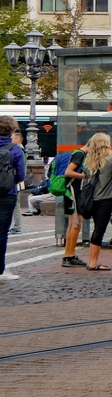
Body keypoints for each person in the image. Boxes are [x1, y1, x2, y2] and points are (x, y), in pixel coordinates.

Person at [82, 133, 112, 271]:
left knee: (97, 228)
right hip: (105, 199)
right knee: (100, 230)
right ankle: (93, 262)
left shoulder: (89, 160)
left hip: (93, 200)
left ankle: (92, 260)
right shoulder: (110, 159)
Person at [0, 116, 26, 279]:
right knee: (2, 232)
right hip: (7, 195)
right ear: (11, 130)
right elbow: (21, 175)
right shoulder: (15, 149)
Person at [61, 146, 88, 267]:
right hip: (74, 192)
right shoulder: (80, 155)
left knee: (72, 222)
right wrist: (85, 176)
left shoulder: (76, 152)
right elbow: (68, 172)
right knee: (76, 222)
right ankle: (70, 255)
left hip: (69, 191)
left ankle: (68, 254)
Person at [8, 130, 23, 235]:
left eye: (12, 138)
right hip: (17, 180)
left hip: (16, 181)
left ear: (17, 139)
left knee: (16, 205)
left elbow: (21, 168)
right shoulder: (20, 150)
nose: (11, 140)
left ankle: (17, 226)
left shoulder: (19, 150)